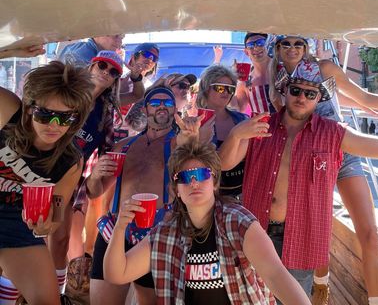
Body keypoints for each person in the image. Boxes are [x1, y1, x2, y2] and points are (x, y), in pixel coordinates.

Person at [219, 70, 378, 304]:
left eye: (310, 93)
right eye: (296, 90)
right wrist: (237, 134)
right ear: (285, 91)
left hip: (301, 239)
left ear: (319, 98)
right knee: (252, 299)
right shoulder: (260, 125)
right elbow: (224, 163)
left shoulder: (333, 133)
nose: (302, 97)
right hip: (256, 234)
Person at [103, 140, 312, 305]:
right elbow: (117, 273)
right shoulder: (166, 234)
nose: (193, 182)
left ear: (215, 182)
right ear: (176, 190)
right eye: (183, 177)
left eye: (202, 174)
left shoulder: (238, 222)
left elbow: (275, 274)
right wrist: (120, 227)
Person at [269, 34, 378, 305]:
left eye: (298, 43)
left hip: (341, 148)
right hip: (305, 160)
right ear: (277, 47)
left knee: (369, 233)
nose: (292, 49)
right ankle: (320, 289)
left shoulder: (323, 70)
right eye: (285, 43)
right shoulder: (274, 78)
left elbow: (359, 96)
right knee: (314, 230)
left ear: (306, 46)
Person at [87, 86, 202, 305]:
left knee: (149, 300)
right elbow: (95, 192)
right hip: (116, 229)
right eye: (155, 102)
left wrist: (191, 142)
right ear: (146, 108)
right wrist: (94, 176)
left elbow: (192, 176)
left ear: (175, 110)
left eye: (168, 103)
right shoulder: (123, 146)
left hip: (157, 232)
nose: (161, 106)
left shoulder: (180, 144)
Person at [0, 45, 93, 305]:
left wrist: (45, 225)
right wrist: (9, 50)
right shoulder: (8, 113)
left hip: (17, 227)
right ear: (30, 108)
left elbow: (56, 212)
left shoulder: (70, 162)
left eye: (65, 118)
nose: (54, 126)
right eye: (45, 114)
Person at [47, 50, 123, 297]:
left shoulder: (104, 115)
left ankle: (54, 295)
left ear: (114, 81)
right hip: (37, 174)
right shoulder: (64, 93)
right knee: (24, 237)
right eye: (102, 65)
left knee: (59, 241)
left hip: (68, 184)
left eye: (113, 72)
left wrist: (96, 175)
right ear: (91, 66)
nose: (106, 73)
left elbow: (102, 169)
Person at [196, 65, 248, 198]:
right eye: (220, 88)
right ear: (206, 89)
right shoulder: (195, 124)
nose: (226, 92)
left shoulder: (242, 119)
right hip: (208, 198)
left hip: (242, 196)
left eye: (230, 89)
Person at [233, 32, 275, 115]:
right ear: (246, 52)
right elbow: (239, 109)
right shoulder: (244, 81)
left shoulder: (283, 70)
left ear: (267, 45)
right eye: (251, 45)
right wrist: (231, 81)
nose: (256, 47)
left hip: (287, 127)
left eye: (261, 43)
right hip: (260, 127)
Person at [59, 35, 125, 66]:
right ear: (98, 34)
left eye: (121, 38)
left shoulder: (73, 47)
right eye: (116, 36)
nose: (120, 41)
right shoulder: (85, 57)